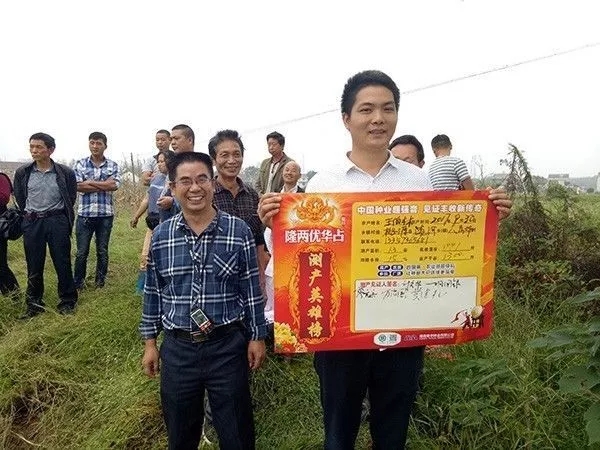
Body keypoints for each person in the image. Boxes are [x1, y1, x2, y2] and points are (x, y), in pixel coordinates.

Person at [258, 70, 513, 449]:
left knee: (393, 431)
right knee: (338, 432)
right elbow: (301, 253)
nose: (378, 118)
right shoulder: (324, 182)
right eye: (367, 109)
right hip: (341, 333)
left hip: (403, 329)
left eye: (387, 109)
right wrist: (273, 224)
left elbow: (445, 245)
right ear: (346, 118)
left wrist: (489, 218)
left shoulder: (417, 181)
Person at [140, 151, 267, 450]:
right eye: (185, 181)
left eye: (202, 179)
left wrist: (257, 337)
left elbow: (251, 289)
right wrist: (150, 343)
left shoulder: (238, 231)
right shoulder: (162, 236)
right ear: (173, 187)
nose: (194, 188)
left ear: (212, 183)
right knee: (180, 433)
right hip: (178, 349)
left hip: (227, 346)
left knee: (236, 432)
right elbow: (154, 292)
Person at [13, 132, 78, 317]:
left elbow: (70, 197)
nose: (34, 150)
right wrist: (28, 217)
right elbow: (20, 197)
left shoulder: (65, 172)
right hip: (32, 221)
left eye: (39, 147)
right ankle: (34, 304)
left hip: (57, 221)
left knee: (62, 262)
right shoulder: (23, 172)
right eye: (31, 147)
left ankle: (67, 301)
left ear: (50, 150)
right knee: (34, 263)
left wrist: (61, 218)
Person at [208, 129, 267, 294]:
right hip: (215, 277)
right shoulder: (206, 195)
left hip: (249, 273)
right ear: (213, 160)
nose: (232, 161)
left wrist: (261, 273)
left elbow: (258, 237)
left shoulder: (251, 194)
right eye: (224, 155)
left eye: (237, 154)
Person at [73, 132, 121, 290]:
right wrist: (103, 184)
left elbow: (113, 186)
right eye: (92, 143)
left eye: (98, 143)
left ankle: (100, 283)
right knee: (81, 252)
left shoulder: (113, 165)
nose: (95, 146)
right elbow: (77, 186)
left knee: (102, 250)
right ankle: (78, 283)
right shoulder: (80, 164)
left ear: (105, 146)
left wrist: (89, 182)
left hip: (105, 215)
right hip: (85, 215)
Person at [131, 150, 173, 293]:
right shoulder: (155, 179)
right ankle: (143, 288)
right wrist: (136, 216)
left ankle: (164, 287)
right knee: (146, 254)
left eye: (162, 161)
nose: (159, 164)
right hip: (153, 223)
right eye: (158, 162)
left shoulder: (176, 180)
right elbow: (147, 199)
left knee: (165, 256)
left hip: (168, 223)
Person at [255, 131, 293, 195]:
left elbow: (291, 186)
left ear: (282, 146)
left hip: (280, 199)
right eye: (269, 144)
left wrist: (275, 197)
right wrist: (261, 196)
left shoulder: (290, 163)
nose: (271, 147)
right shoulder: (264, 163)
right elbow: (257, 184)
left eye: (274, 144)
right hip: (263, 199)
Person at [0, 172, 19, 298]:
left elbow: (3, 198)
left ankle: (14, 297)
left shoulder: (1, 177)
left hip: (0, 228)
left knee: (1, 266)